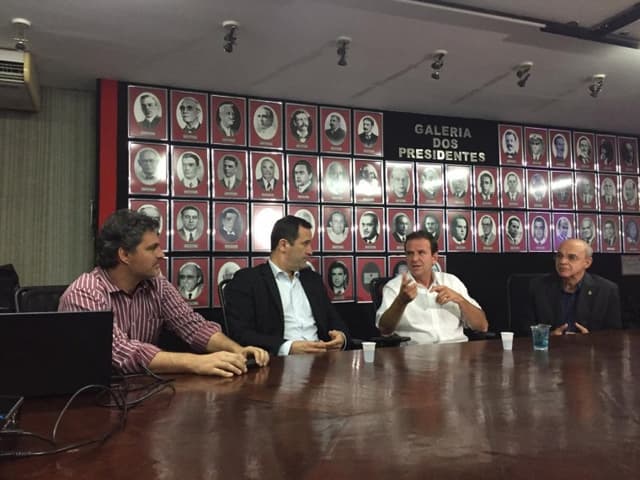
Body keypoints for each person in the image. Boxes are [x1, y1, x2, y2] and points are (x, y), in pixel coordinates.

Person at [59, 209, 268, 375]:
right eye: (152, 248)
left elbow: (193, 326)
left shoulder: (156, 284)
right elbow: (118, 352)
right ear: (124, 254)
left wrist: (236, 350)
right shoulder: (85, 292)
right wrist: (195, 363)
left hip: (142, 393)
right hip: (90, 400)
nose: (161, 255)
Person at [224, 215, 350, 355]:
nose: (310, 251)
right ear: (283, 245)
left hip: (323, 361)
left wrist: (341, 338)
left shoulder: (313, 280)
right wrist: (288, 347)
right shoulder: (248, 280)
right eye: (305, 243)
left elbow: (335, 321)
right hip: (278, 364)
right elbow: (241, 334)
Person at [376, 231, 488, 344]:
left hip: (457, 352)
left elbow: (482, 326)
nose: (414, 259)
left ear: (434, 258)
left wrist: (460, 300)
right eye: (410, 253)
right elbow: (385, 330)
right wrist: (401, 301)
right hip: (416, 355)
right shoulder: (394, 287)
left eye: (421, 253)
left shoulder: (452, 281)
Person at [528, 239, 621, 335]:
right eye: (559, 256)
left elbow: (614, 334)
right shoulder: (538, 287)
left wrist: (592, 339)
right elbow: (524, 330)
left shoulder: (606, 290)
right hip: (550, 348)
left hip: (591, 349)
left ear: (587, 263)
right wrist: (548, 337)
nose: (562, 261)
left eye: (572, 257)